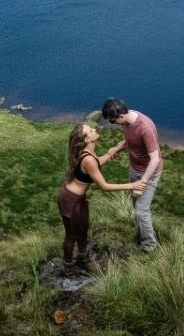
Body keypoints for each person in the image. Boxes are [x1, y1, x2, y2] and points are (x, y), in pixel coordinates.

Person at [57, 123, 140, 270]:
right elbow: (104, 186)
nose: (95, 129)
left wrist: (116, 149)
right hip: (70, 200)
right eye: (90, 130)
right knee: (71, 235)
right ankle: (68, 266)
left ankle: (82, 258)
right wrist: (132, 185)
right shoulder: (88, 158)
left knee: (83, 229)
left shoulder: (88, 152)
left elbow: (96, 162)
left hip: (79, 199)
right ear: (86, 139)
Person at [101, 97, 163, 252]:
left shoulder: (145, 127)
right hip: (135, 168)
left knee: (141, 211)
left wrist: (142, 183)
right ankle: (142, 234)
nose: (112, 123)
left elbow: (155, 159)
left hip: (149, 172)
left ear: (120, 115)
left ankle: (150, 247)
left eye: (112, 121)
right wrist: (117, 147)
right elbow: (129, 139)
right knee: (136, 206)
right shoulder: (128, 120)